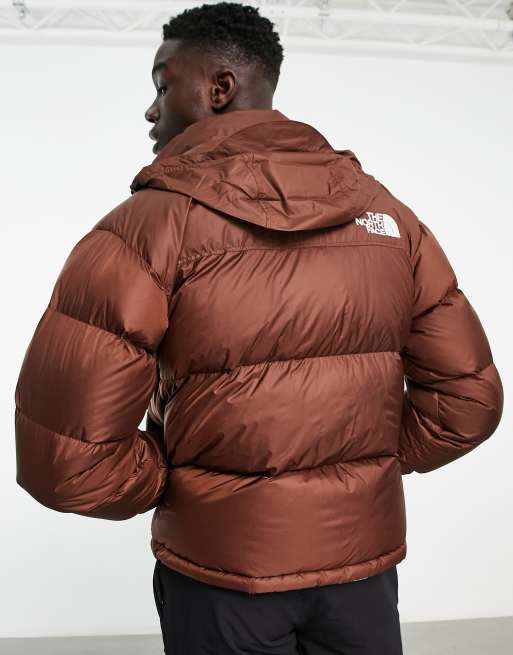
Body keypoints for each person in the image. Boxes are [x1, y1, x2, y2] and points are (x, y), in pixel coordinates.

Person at [14, 2, 503, 654]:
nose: (150, 110)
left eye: (162, 84)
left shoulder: (145, 230)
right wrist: (356, 469)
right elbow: (467, 402)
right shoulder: (389, 217)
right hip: (360, 573)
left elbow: (66, 460)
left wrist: (184, 481)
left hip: (222, 577)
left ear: (219, 88)